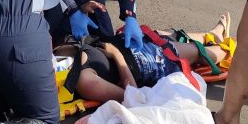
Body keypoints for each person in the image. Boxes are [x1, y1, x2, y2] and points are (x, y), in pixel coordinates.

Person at [55, 13, 232, 103]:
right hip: (145, 62)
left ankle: (212, 35)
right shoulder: (85, 81)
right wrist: (117, 55)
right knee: (196, 52)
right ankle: (233, 49)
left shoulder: (58, 52)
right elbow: (133, 95)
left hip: (130, 44)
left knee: (167, 35)